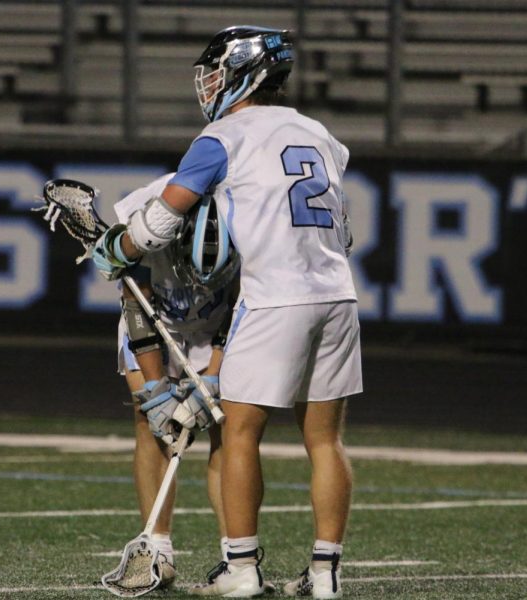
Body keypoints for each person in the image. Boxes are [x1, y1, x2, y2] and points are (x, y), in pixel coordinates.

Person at [93, 26, 361, 599]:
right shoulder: (320, 134)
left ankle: (241, 568)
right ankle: (325, 574)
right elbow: (346, 228)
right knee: (325, 440)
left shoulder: (223, 136)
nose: (208, 84)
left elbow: (162, 220)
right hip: (338, 293)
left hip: (274, 295)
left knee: (238, 433)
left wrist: (117, 247)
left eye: (214, 71)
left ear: (244, 73)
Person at [111, 173, 240, 589]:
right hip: (155, 320)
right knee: (154, 428)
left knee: (228, 428)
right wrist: (155, 391)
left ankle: (235, 556)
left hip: (222, 322)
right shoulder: (151, 218)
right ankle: (159, 548)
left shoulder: (250, 217)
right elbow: (135, 302)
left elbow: (246, 303)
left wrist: (215, 375)